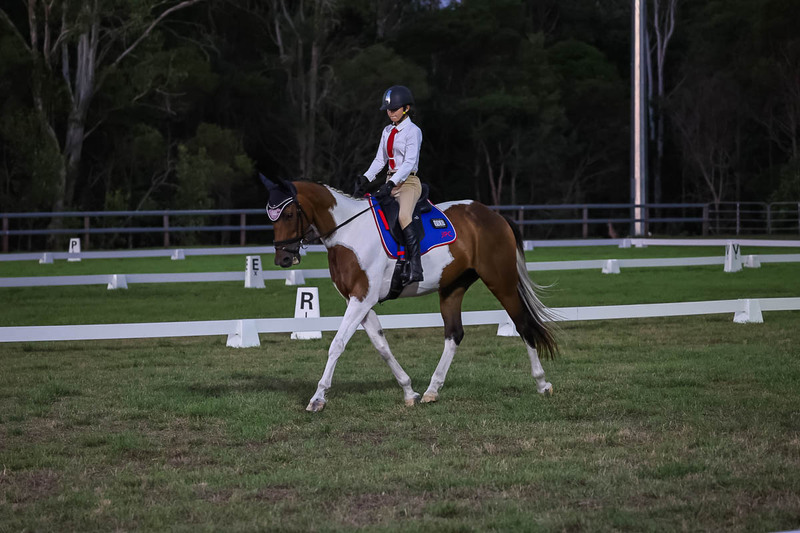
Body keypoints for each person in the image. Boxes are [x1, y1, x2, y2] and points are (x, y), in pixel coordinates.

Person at [354, 85, 424, 284]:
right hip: (389, 181)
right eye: (388, 109)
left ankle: (416, 266)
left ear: (406, 109)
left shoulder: (413, 131)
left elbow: (409, 162)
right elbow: (380, 160)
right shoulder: (386, 131)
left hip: (408, 182)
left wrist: (393, 182)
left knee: (403, 216)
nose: (390, 113)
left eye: (395, 109)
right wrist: (366, 178)